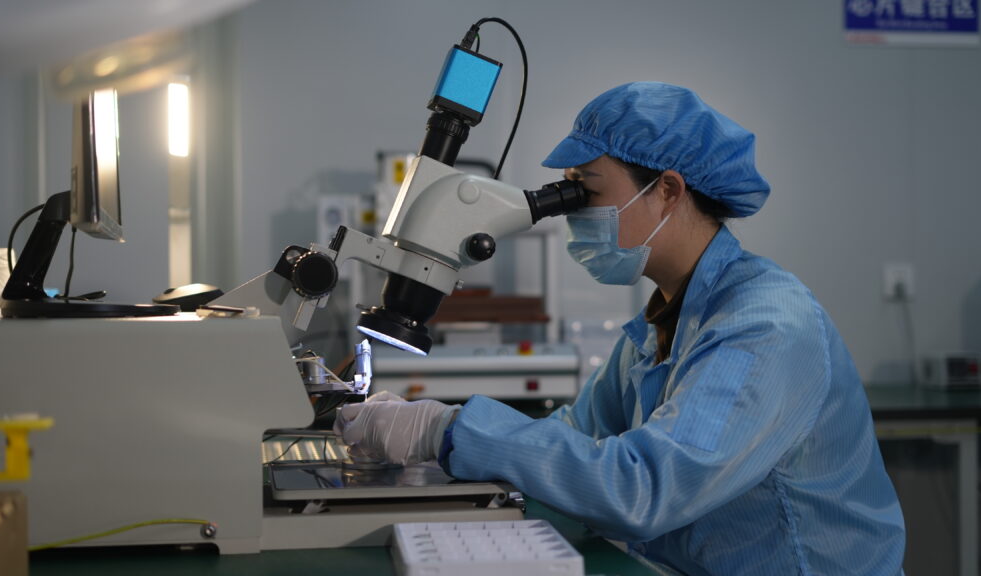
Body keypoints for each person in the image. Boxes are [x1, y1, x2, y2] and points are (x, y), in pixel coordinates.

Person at [335, 82, 906, 575]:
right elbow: (575, 437)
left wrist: (446, 428)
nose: (573, 212)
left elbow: (644, 488)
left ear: (668, 191)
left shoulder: (765, 325)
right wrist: (430, 445)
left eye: (587, 190)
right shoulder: (660, 323)